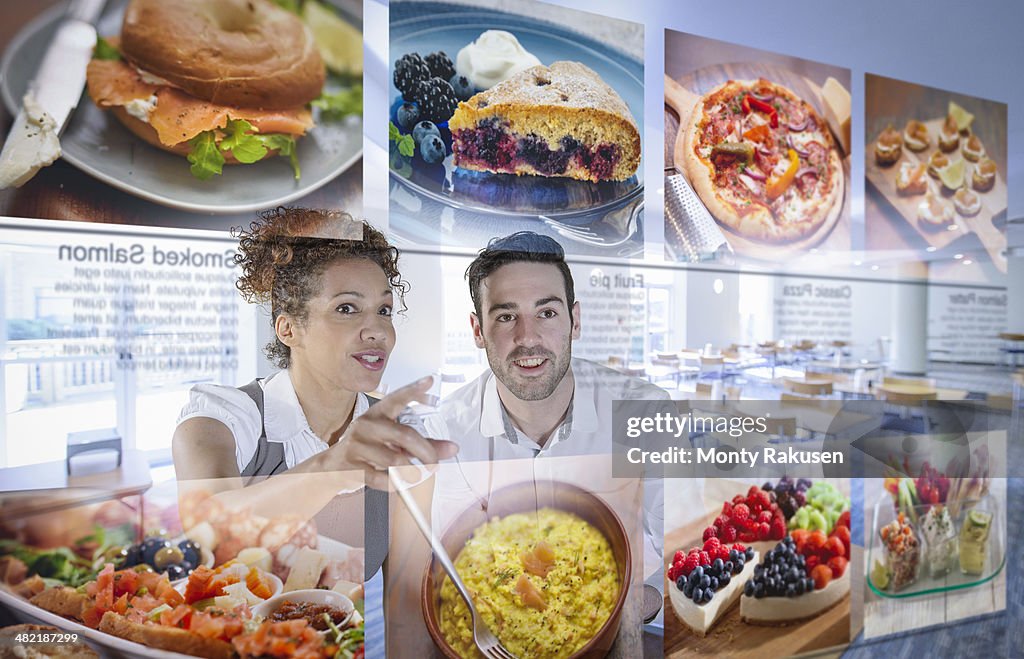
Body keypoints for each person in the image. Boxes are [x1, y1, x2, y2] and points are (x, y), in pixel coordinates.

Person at [172, 207, 457, 577]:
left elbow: (407, 591)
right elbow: (206, 538)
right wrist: (334, 467)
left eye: (384, 310)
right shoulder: (218, 420)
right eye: (346, 308)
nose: (378, 331)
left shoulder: (400, 433)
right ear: (288, 329)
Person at [429, 231, 669, 582]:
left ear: (575, 321)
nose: (528, 337)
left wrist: (633, 607)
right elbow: (452, 566)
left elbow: (688, 547)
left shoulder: (647, 412)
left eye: (546, 312)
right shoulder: (447, 429)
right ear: (477, 330)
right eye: (506, 317)